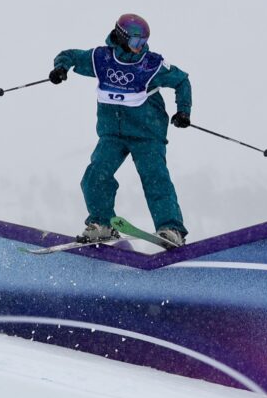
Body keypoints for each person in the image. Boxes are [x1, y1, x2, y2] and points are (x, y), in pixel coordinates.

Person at [50, 14, 192, 246]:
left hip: (147, 133)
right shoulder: (101, 59)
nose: (141, 47)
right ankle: (102, 224)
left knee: (155, 178)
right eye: (137, 42)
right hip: (112, 134)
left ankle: (171, 228)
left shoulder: (151, 64)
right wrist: (61, 68)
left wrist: (183, 111)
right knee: (95, 176)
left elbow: (182, 80)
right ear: (122, 37)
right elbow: (69, 55)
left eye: (144, 42)